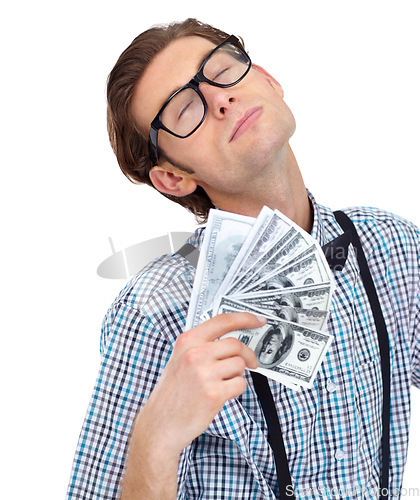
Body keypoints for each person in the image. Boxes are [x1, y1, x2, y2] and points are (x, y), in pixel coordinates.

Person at [66, 18, 420, 499]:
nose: (219, 99)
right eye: (183, 108)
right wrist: (156, 441)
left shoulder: (391, 248)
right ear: (172, 177)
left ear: (269, 81)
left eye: (222, 70)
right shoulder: (155, 314)